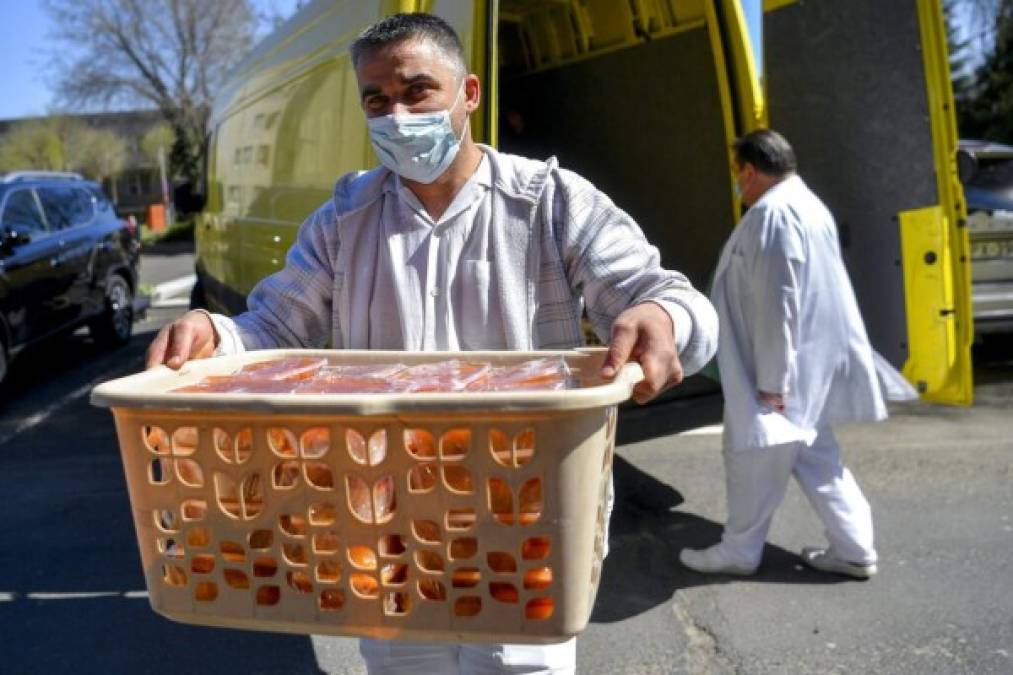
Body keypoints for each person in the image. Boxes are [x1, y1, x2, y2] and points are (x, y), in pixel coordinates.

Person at [145, 13, 718, 674]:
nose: (395, 114)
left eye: (417, 91)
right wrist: (214, 332)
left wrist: (663, 318)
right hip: (384, 530)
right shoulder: (342, 222)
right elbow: (272, 327)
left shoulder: (548, 202)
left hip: (524, 525)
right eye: (375, 100)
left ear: (468, 93)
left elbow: (662, 293)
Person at [679, 129, 888, 580]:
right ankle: (855, 549)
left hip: (775, 371)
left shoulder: (772, 214)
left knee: (752, 460)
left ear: (750, 171)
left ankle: (739, 552)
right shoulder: (809, 206)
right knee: (819, 460)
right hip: (805, 368)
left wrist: (773, 382)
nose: (739, 184)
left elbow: (779, 301)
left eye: (739, 174)